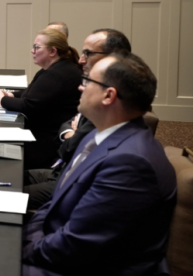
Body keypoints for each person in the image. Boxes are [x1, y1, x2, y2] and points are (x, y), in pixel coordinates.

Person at [22, 52, 176, 276]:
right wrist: (25, 235)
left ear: (108, 95)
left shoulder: (130, 163)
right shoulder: (100, 135)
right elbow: (54, 204)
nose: (80, 87)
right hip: (60, 246)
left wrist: (17, 247)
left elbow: (75, 245)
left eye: (87, 81)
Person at [24, 28, 131, 210]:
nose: (81, 60)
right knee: (3, 177)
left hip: (68, 178)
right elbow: (70, 123)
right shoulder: (97, 91)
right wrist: (70, 132)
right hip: (62, 170)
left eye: (88, 53)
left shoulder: (109, 107)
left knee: (3, 193)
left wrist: (71, 136)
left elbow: (69, 150)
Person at [0, 28, 81, 170]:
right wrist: (12, 95)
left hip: (45, 144)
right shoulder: (56, 69)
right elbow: (34, 93)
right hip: (45, 135)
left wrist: (1, 100)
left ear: (52, 51)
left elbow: (28, 106)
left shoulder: (57, 74)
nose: (32, 51)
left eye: (37, 47)